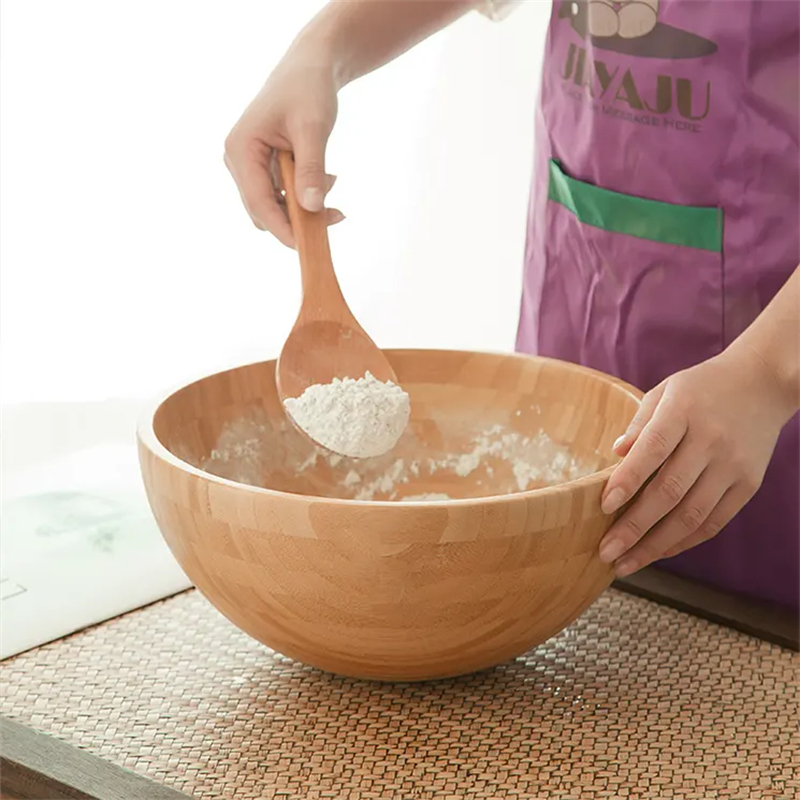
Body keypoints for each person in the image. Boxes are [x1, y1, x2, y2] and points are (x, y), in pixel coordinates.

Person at [224, 0, 799, 610]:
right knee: (567, 557)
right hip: (583, 270)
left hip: (775, 366)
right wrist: (327, 44)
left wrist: (766, 374)